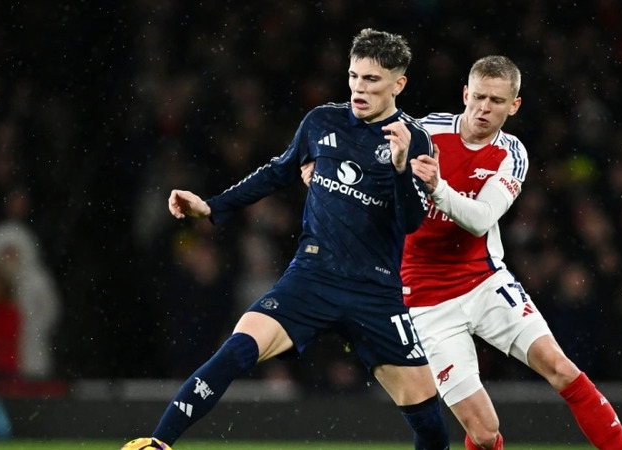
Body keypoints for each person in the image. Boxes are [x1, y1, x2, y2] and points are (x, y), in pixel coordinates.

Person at [131, 28, 450, 450]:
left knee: (429, 422)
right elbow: (277, 172)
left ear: (398, 84)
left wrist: (401, 167)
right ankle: (156, 444)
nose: (359, 88)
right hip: (312, 277)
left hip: (374, 290)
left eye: (372, 79)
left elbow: (411, 222)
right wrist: (211, 207)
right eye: (354, 76)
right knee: (237, 349)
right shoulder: (321, 121)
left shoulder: (414, 139)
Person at [304, 55, 622, 450]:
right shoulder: (424, 133)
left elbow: (480, 218)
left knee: (561, 368)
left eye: (496, 101)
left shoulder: (511, 154)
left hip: (484, 282)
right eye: (478, 97)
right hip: (424, 303)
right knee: (484, 433)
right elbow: (362, 164)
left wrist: (438, 188)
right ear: (464, 94)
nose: (483, 108)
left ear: (514, 106)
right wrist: (323, 174)